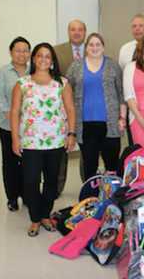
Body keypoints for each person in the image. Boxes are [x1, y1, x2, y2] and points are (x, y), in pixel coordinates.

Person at [10, 42, 76, 237]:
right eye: (40, 56)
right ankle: (35, 217)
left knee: (51, 182)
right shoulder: (22, 83)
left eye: (48, 56)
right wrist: (15, 138)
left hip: (56, 141)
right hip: (30, 142)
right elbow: (14, 112)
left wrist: (71, 133)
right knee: (30, 182)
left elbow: (71, 109)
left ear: (52, 61)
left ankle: (45, 215)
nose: (43, 59)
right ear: (34, 58)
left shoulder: (62, 83)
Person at [67, 33, 126, 181]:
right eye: (91, 45)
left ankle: (111, 197)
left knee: (112, 166)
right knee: (89, 166)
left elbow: (121, 94)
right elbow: (66, 91)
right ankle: (90, 197)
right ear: (86, 48)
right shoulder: (76, 66)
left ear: (103, 47)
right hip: (85, 125)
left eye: (98, 44)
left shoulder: (113, 66)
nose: (94, 48)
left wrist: (122, 118)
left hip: (110, 124)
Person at [0, 36, 31, 212]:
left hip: (31, 129)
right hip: (8, 126)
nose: (22, 54)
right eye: (18, 50)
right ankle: (12, 197)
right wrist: (13, 118)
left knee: (29, 163)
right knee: (10, 162)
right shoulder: (2, 72)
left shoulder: (34, 71)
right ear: (11, 52)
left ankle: (27, 194)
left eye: (25, 50)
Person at [54, 19, 87, 191]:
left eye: (80, 29)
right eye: (73, 29)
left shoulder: (93, 49)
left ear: (85, 32)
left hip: (87, 108)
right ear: (68, 31)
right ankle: (57, 187)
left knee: (86, 149)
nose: (76, 32)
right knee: (62, 149)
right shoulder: (57, 51)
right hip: (63, 109)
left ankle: (87, 185)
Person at [119, 14, 144, 145]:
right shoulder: (125, 49)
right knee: (134, 144)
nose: (137, 29)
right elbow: (121, 75)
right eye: (134, 26)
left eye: (141, 25)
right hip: (131, 104)